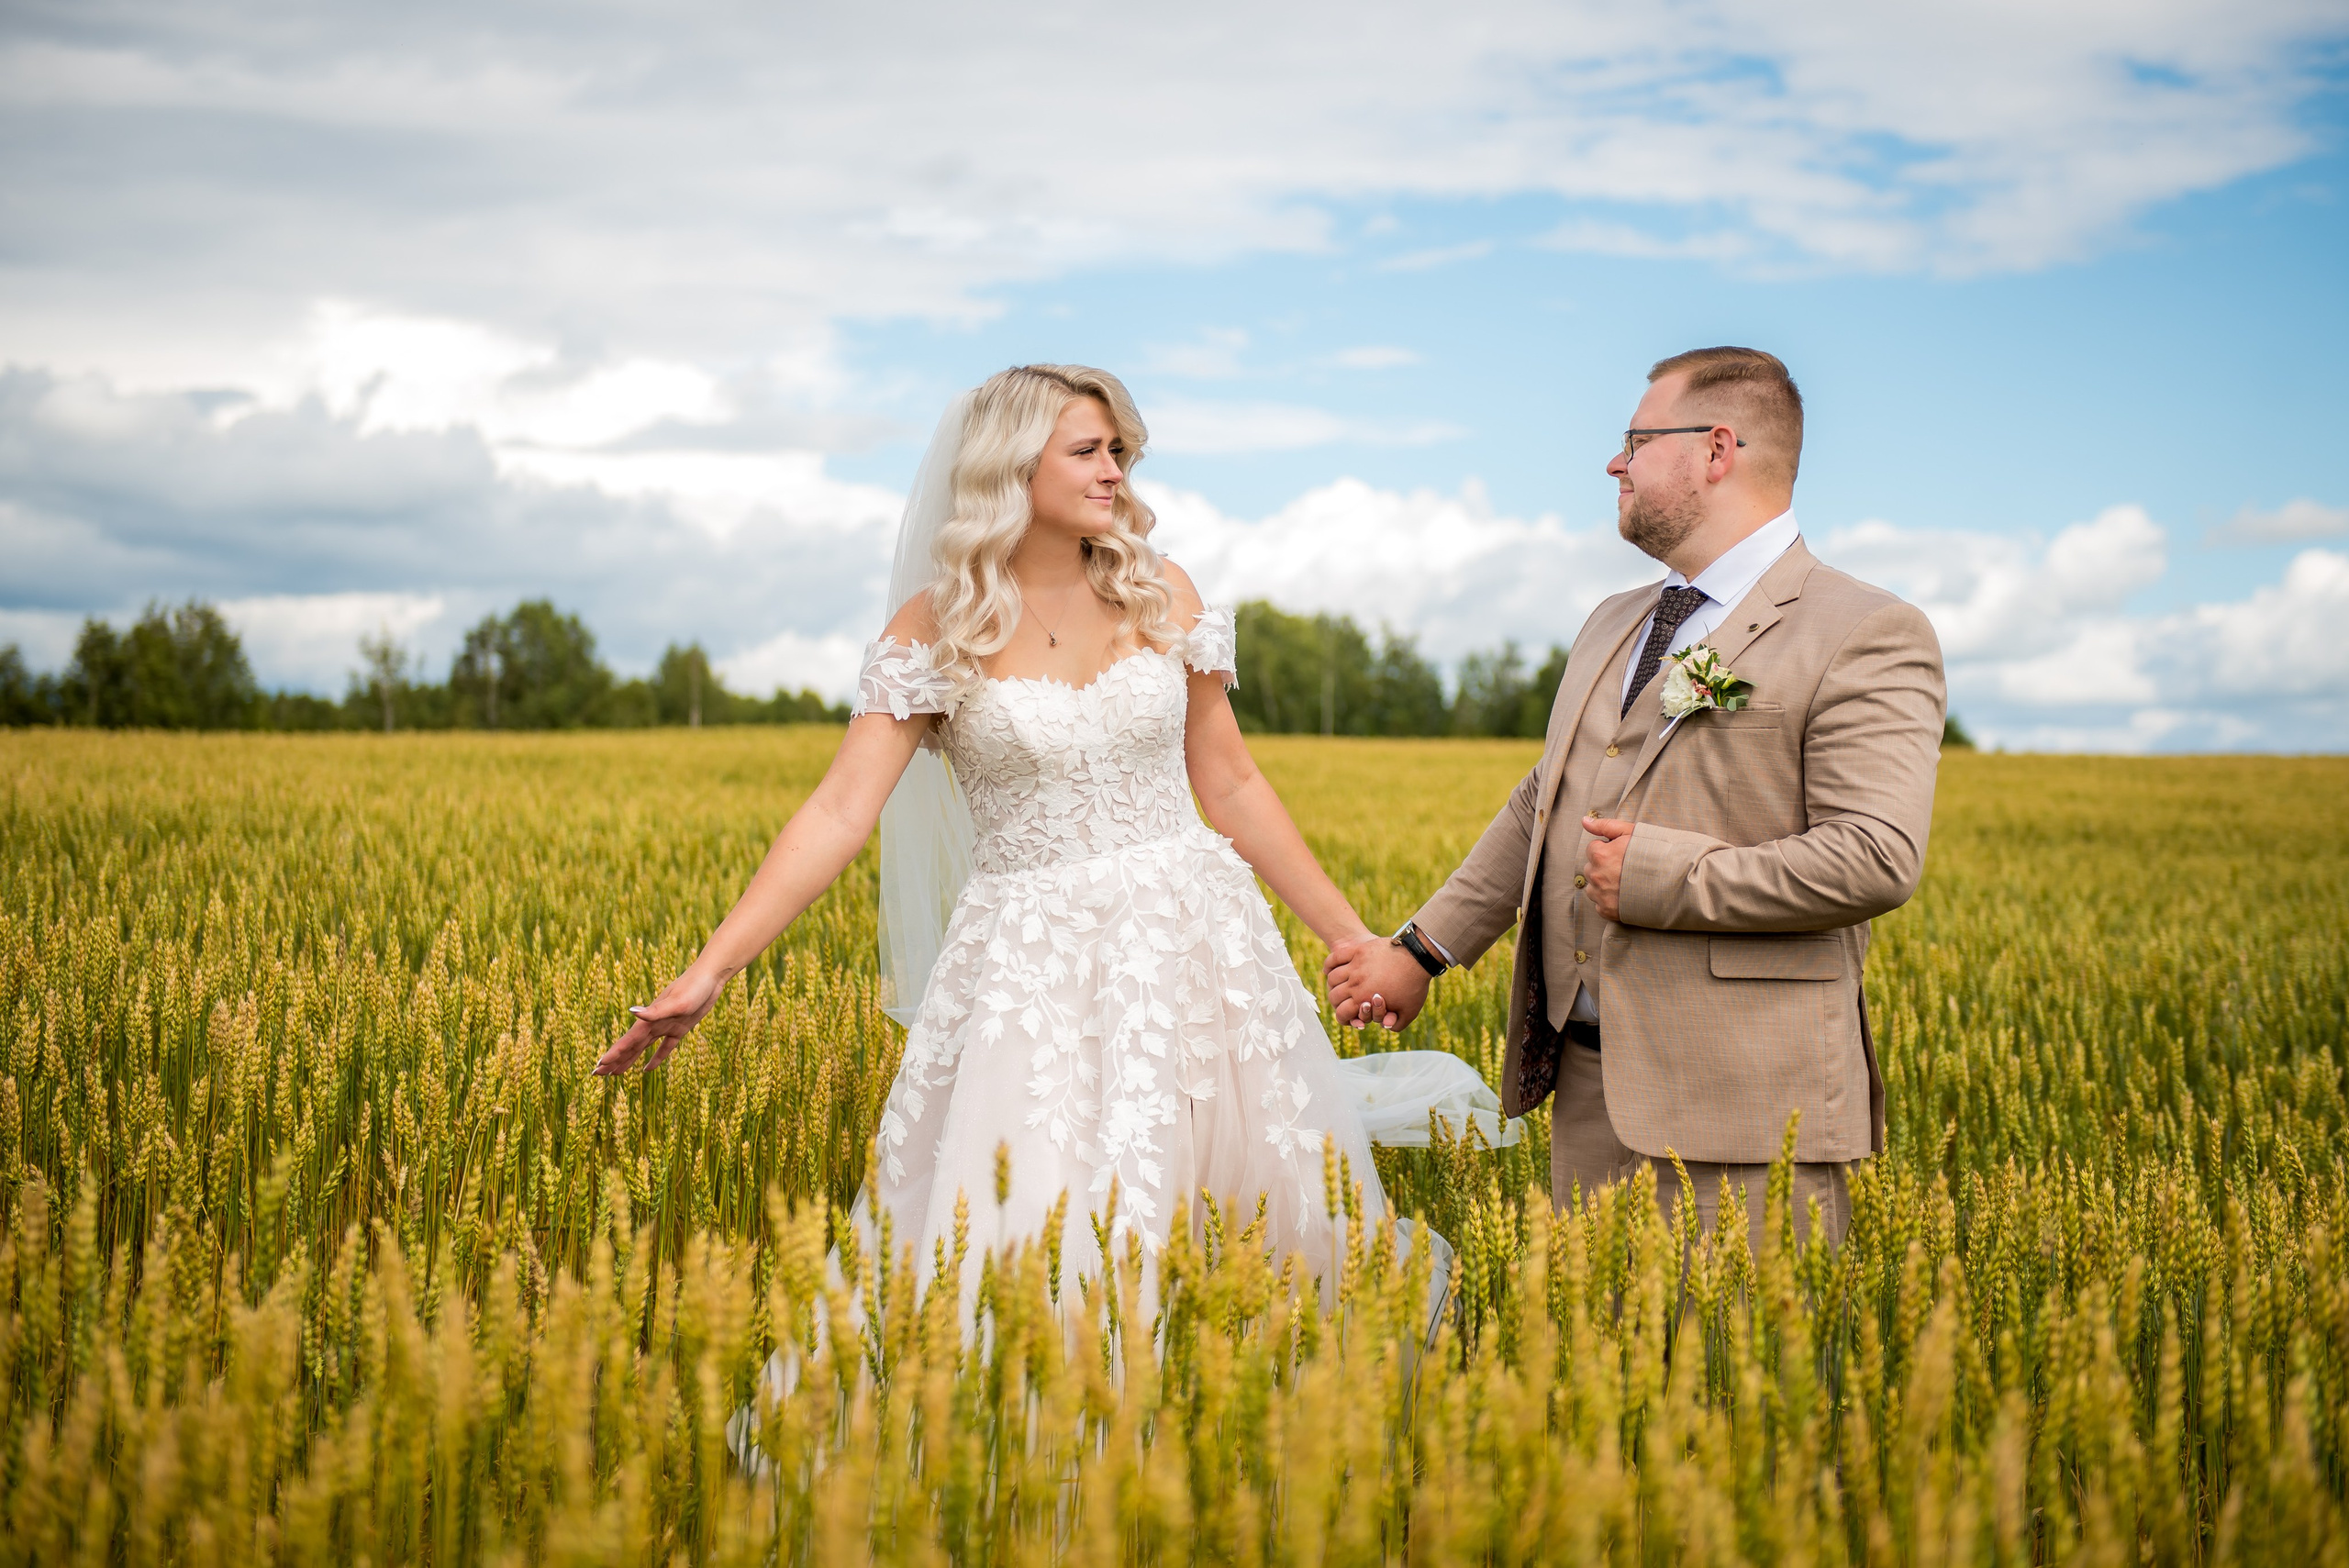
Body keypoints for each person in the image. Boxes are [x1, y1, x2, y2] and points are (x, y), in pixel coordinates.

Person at [597, 363, 1508, 1293]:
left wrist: (1349, 934)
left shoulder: (1162, 593)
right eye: (1088, 450)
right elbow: (838, 810)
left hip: (1197, 954)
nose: (1115, 469)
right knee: (1034, 1233)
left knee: (1240, 1224)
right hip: (1030, 978)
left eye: (1119, 450)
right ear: (1010, 468)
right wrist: (712, 966)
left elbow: (1230, 781)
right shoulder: (936, 627)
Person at [1326, 347, 1944, 1253]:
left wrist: (1659, 873)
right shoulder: (1613, 621)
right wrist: (1421, 949)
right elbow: (1546, 799)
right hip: (1587, 1097)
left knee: (1739, 1386)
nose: (1614, 463)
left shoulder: (1863, 629)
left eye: (1634, 439)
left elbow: (1877, 853)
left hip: (1747, 1112)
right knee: (1601, 1383)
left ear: (1716, 449)